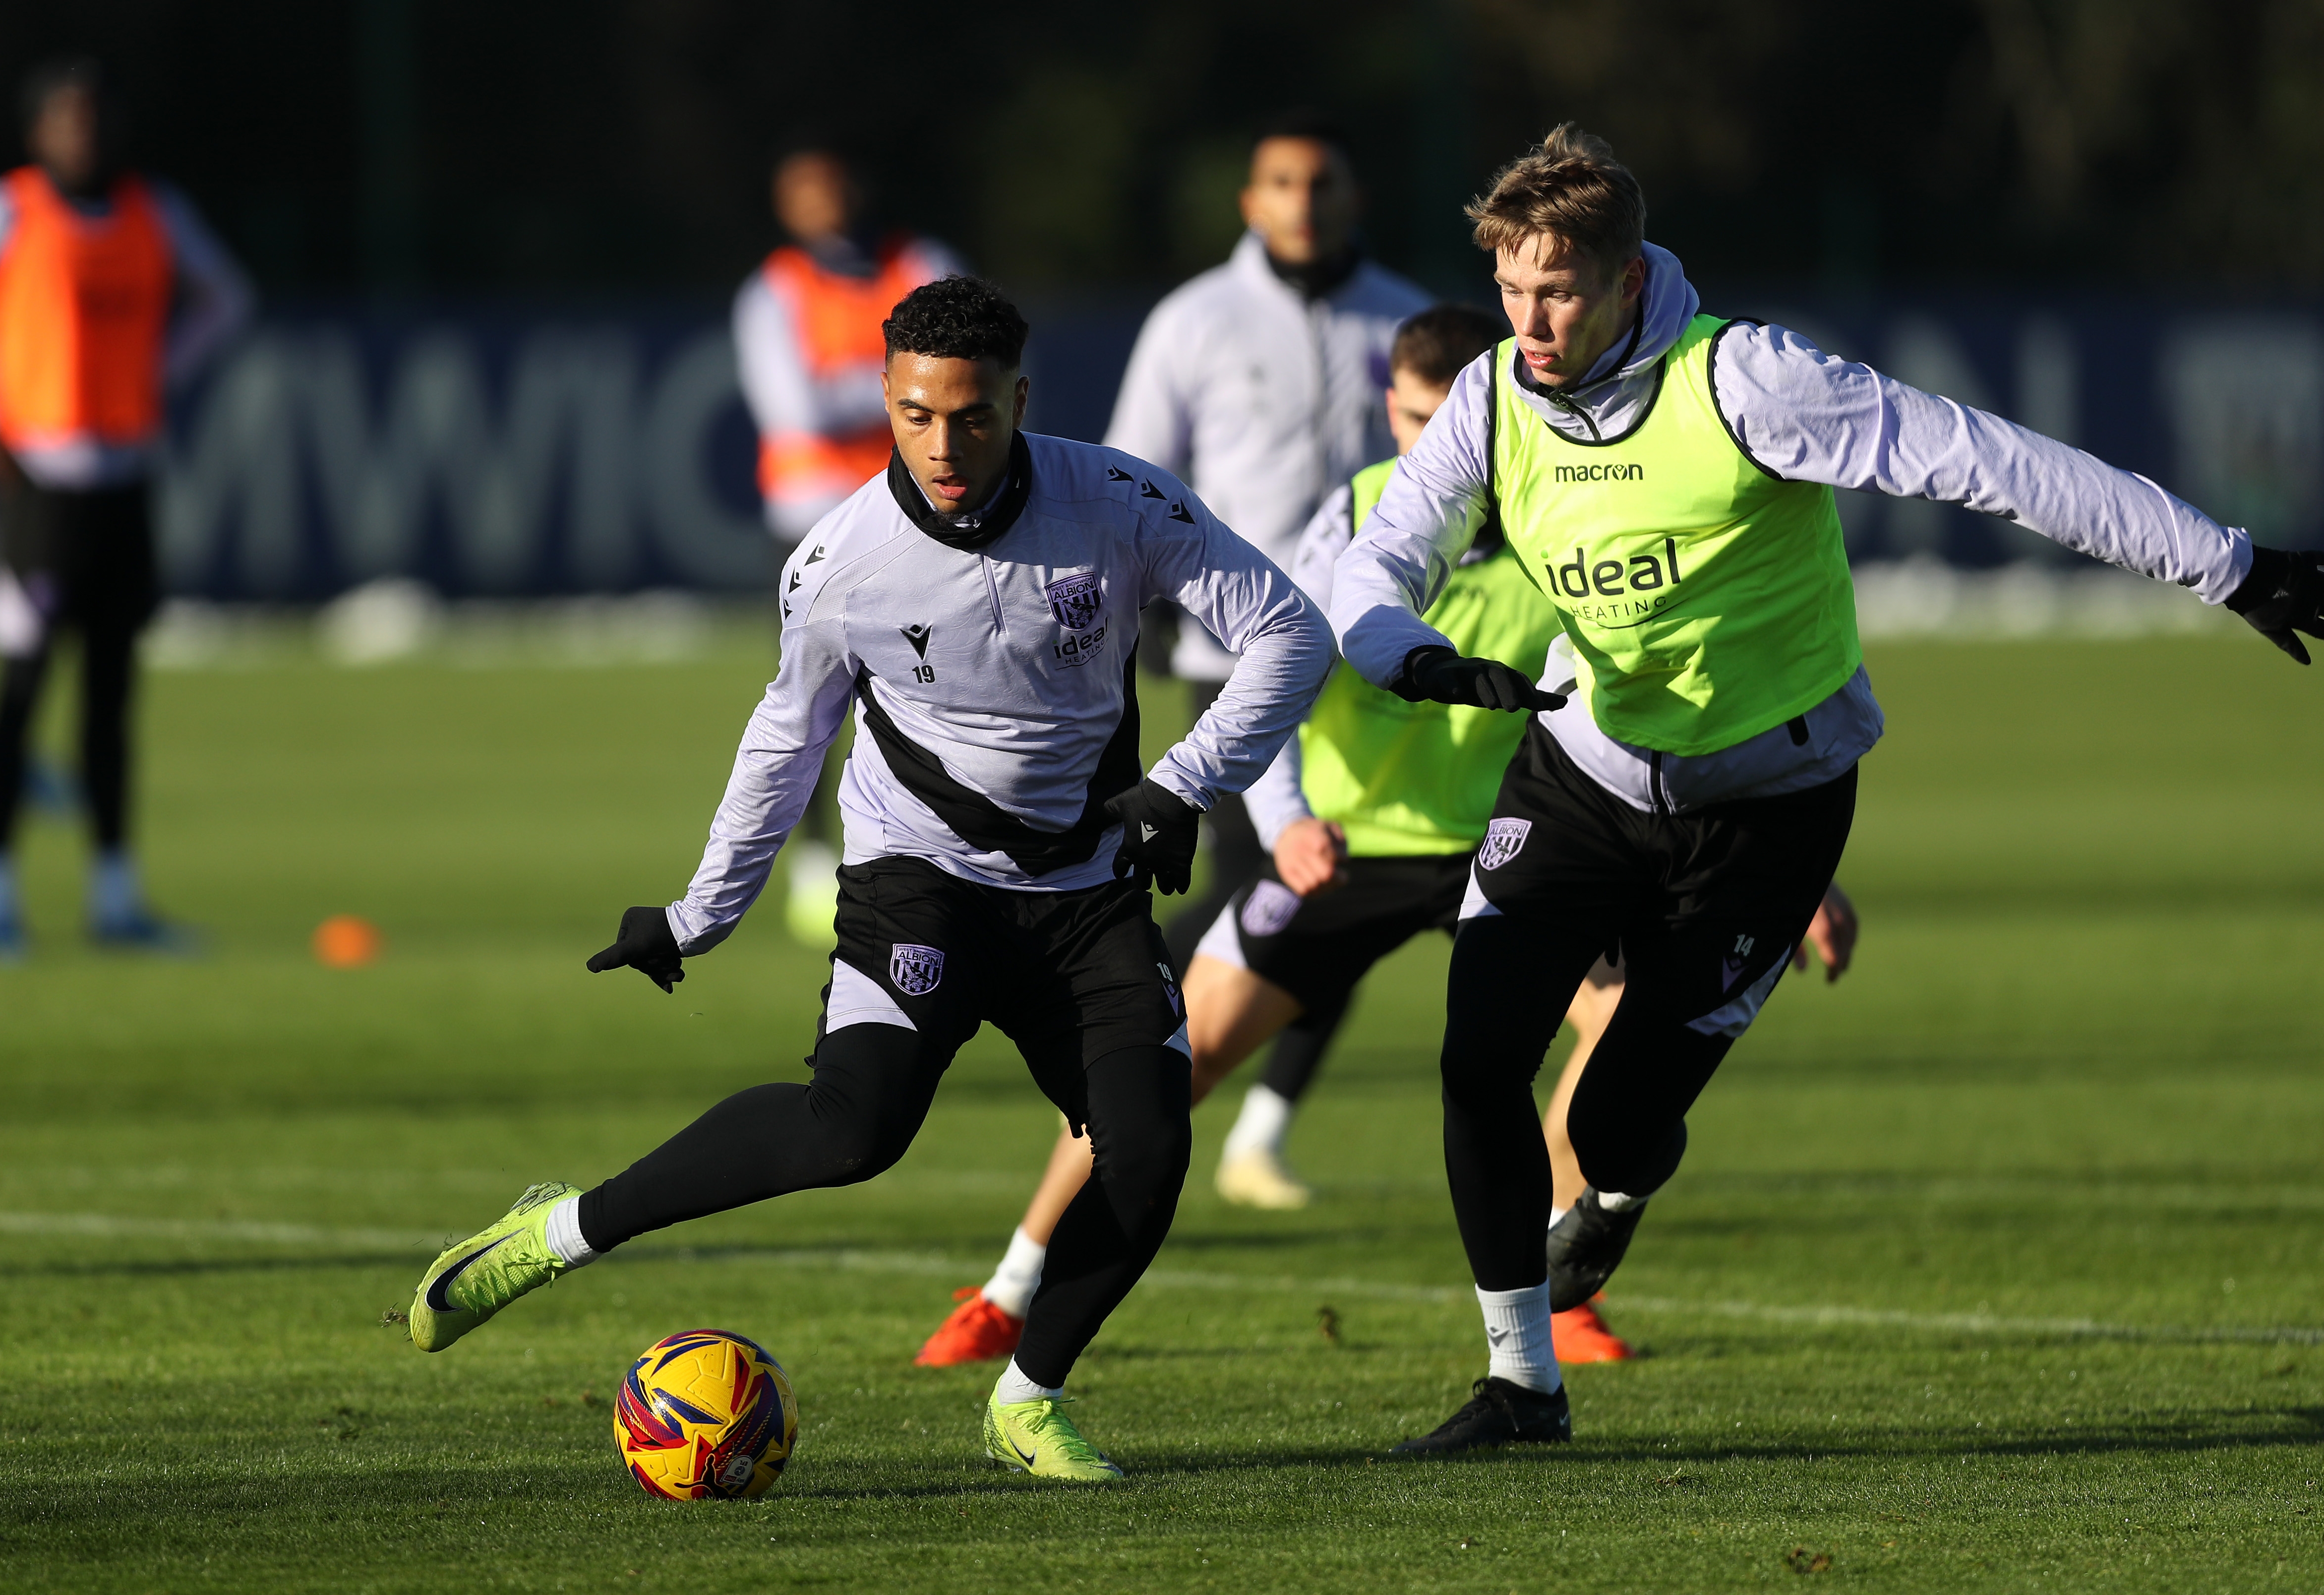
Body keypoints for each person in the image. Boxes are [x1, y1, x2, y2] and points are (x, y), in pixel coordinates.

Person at [1329, 124, 2317, 1455]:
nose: (1530, 321)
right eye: (1511, 290)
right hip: (1581, 773)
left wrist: (2228, 564)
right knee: (1476, 1058)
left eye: (1556, 290)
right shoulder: (1493, 396)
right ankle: (1522, 1387)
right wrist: (1417, 657)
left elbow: (1993, 461)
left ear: (1628, 278)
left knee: (1620, 1116)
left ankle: (1616, 1192)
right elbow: (1376, 563)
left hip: (1769, 810)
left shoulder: (1748, 380)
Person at [399, 277, 1334, 1486]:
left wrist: (1182, 785)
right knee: (853, 1132)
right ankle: (560, 1230)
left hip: (1087, 890)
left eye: (975, 417)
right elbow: (786, 738)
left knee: (1147, 1154)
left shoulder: (1115, 500)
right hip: (919, 880)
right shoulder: (842, 561)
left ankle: (1027, 1405)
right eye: (914, 415)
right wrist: (702, 911)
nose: (945, 447)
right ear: (889, 403)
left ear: (1020, 401)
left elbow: (1292, 634)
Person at [910, 304, 1862, 1372]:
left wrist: (1787, 879)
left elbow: (1695, 703)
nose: (1428, 441)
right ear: (1393, 412)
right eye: (1412, 417)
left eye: (1449, 415)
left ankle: (1557, 1282)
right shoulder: (1358, 524)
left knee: (1620, 1029)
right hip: (1350, 847)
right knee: (1169, 1058)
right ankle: (1011, 1284)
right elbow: (1258, 679)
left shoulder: (1583, 521)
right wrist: (1287, 825)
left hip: (1528, 839)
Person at [0, 59, 250, 958]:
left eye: (99, 119)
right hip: (38, 483)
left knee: (111, 696)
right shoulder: (2, 215)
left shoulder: (156, 214)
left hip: (125, 479)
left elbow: (228, 300)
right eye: (69, 122)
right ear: (38, 135)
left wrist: (163, 371)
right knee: (23, 684)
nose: (88, 137)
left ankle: (115, 897)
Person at [1106, 111, 1431, 973]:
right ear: (1251, 201)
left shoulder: (1407, 321)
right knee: (1257, 880)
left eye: (1322, 183)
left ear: (1354, 196)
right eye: (1284, 183)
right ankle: (1130, 1038)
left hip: (1369, 641)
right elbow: (1134, 475)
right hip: (1237, 642)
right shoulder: (1194, 319)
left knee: (1336, 878)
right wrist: (1146, 609)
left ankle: (1244, 1099)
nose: (1304, 202)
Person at [734, 143, 964, 951]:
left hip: (920, 508)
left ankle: (933, 847)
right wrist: (908, 378)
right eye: (804, 193)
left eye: (832, 188)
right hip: (816, 521)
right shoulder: (773, 291)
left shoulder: (922, 259)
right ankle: (810, 858)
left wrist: (884, 381)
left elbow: (970, 361)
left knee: (941, 679)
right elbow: (800, 411)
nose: (823, 206)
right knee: (815, 700)